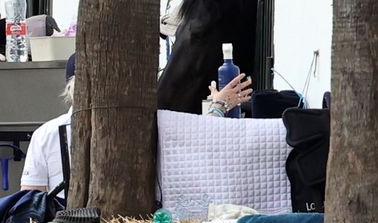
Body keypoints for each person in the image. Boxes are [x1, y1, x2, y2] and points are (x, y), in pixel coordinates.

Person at [20, 55, 254, 196]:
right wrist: (220, 105)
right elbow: (193, 138)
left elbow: (30, 201)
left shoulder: (46, 134)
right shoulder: (143, 125)